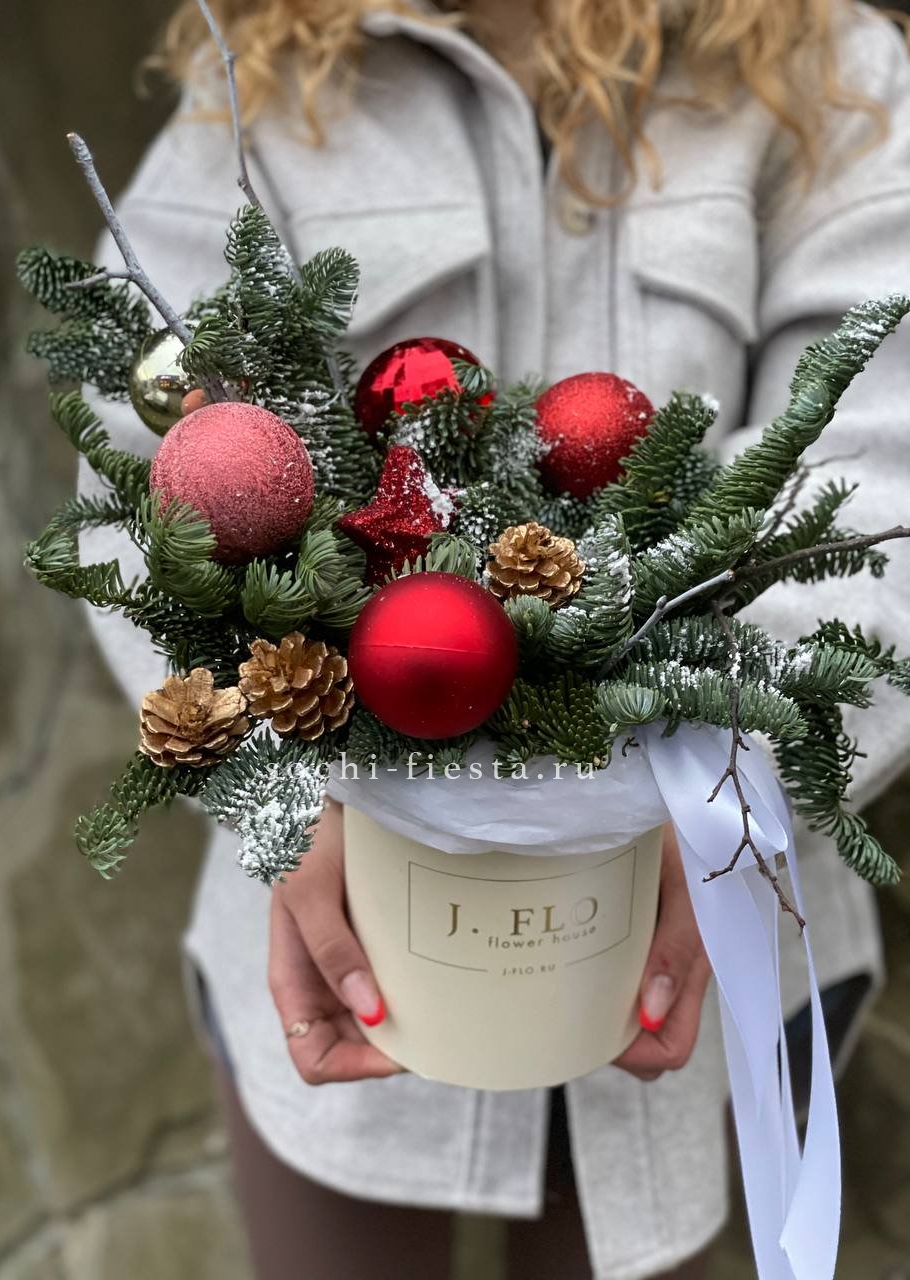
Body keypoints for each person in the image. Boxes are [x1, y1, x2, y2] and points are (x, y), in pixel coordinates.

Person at [78, 1, 910, 1275]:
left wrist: (723, 805)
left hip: (703, 939)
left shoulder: (819, 64)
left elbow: (878, 469)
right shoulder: (279, 69)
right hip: (349, 919)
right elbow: (146, 459)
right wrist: (276, 800)